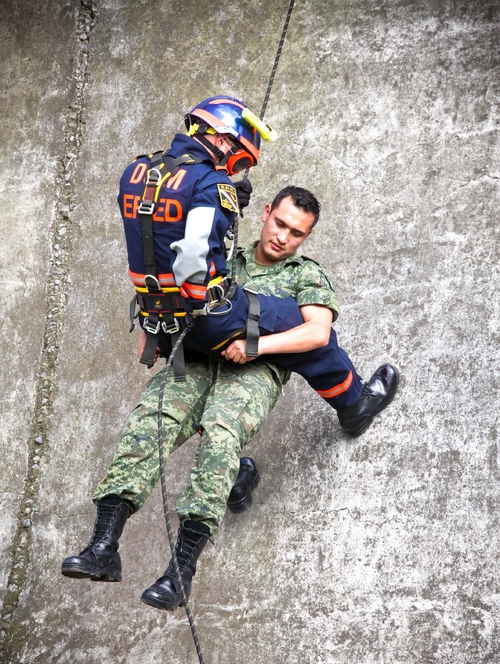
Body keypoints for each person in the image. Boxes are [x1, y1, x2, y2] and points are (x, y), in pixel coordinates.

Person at [61, 186, 399, 611]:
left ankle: (179, 574)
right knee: (149, 422)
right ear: (265, 213)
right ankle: (102, 548)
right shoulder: (224, 256)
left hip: (256, 368)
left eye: (296, 233)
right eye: (279, 223)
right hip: (198, 362)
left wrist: (256, 347)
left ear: (305, 238)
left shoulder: (304, 274)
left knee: (220, 436)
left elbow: (318, 333)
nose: (283, 237)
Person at [121, 95, 389, 414]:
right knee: (307, 328)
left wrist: (152, 323)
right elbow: (193, 252)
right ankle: (355, 405)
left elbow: (156, 242)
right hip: (204, 316)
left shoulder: (137, 171)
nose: (232, 168)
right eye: (237, 160)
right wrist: (199, 306)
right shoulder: (211, 183)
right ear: (222, 139)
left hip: (158, 320)